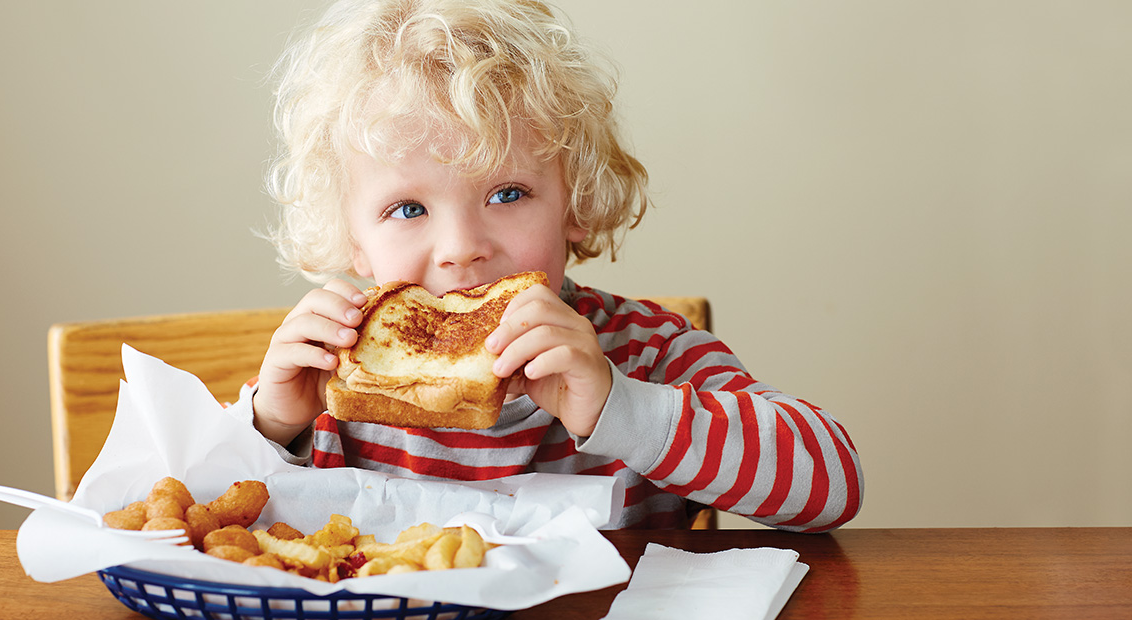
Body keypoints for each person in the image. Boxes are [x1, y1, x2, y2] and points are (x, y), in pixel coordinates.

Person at [249, 0, 863, 531]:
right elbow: (204, 526)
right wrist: (273, 427)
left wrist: (621, 408)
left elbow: (832, 485)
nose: (462, 247)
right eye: (408, 208)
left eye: (508, 194)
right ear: (354, 240)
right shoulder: (333, 386)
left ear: (575, 201)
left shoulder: (647, 352)